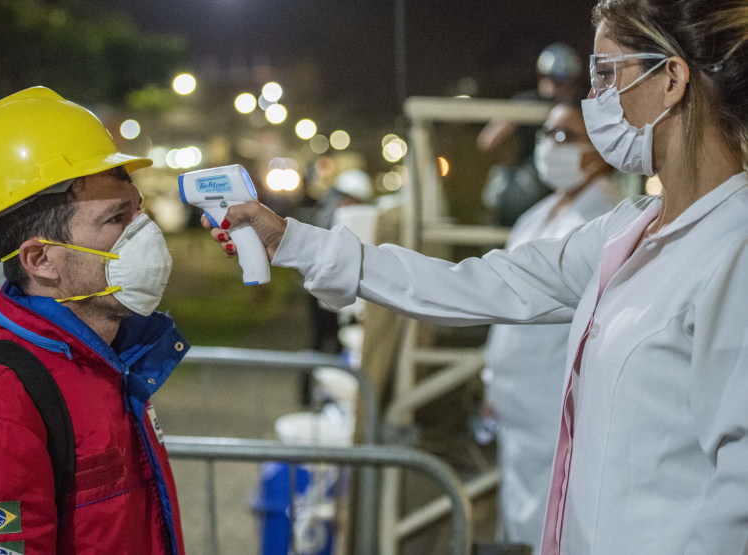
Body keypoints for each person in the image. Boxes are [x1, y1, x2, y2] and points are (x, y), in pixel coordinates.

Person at [206, 0, 748, 551]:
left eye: (607, 73)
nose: (594, 98)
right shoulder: (630, 230)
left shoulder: (734, 248)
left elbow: (739, 502)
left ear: (672, 79)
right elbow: (476, 284)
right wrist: (294, 242)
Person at [0, 87, 188, 554]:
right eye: (116, 218)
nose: (146, 233)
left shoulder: (109, 368)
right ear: (41, 259)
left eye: (138, 210)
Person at [483, 100, 622, 552]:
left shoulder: (607, 218)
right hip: (516, 410)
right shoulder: (537, 215)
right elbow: (505, 306)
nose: (550, 146)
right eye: (546, 134)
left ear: (599, 146)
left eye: (565, 136)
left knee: (554, 527)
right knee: (518, 523)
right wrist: (492, 383)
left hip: (556, 409)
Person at [478, 43, 585, 226]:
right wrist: (508, 163)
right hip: (535, 185)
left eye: (561, 80)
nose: (553, 85)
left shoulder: (577, 107)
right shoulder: (527, 103)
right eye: (548, 77)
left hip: (563, 184)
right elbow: (488, 140)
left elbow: (487, 141)